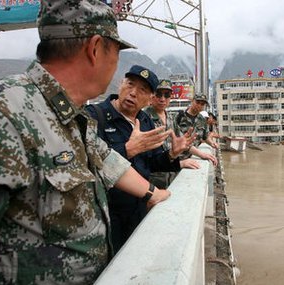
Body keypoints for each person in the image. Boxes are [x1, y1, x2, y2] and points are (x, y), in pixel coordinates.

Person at [0, 1, 171, 285]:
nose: (117, 66)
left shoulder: (67, 115)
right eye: (116, 53)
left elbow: (107, 161)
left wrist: (157, 195)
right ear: (96, 48)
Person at [85, 66, 194, 252]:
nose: (133, 93)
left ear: (149, 98)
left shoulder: (144, 120)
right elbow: (87, 164)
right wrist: (127, 149)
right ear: (121, 84)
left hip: (140, 206)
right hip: (106, 214)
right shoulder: (94, 116)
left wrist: (172, 154)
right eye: (130, 85)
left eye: (142, 90)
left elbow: (152, 162)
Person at [143, 79, 200, 188]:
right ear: (152, 95)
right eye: (158, 94)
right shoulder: (143, 118)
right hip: (152, 180)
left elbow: (182, 142)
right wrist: (180, 163)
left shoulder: (170, 117)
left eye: (167, 95)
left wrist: (203, 154)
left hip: (171, 176)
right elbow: (144, 158)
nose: (162, 99)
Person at [175, 93, 218, 165]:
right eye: (197, 102)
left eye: (202, 104)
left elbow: (205, 136)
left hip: (193, 157)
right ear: (192, 101)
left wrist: (212, 143)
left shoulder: (202, 119)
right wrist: (202, 154)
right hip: (179, 158)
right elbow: (179, 141)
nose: (199, 106)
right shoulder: (179, 116)